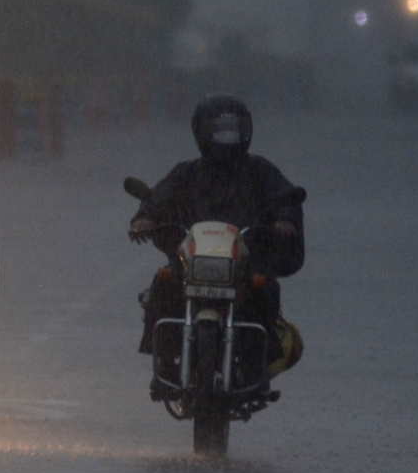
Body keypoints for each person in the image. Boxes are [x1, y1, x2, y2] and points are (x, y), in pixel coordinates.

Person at [129, 95, 305, 371]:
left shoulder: (260, 170)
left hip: (243, 263)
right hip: (193, 260)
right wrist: (144, 219)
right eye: (219, 132)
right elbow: (159, 198)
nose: (227, 138)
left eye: (233, 131)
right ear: (202, 132)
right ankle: (163, 357)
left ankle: (261, 355)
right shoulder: (186, 172)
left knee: (265, 288)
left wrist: (285, 220)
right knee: (163, 283)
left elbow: (284, 196)